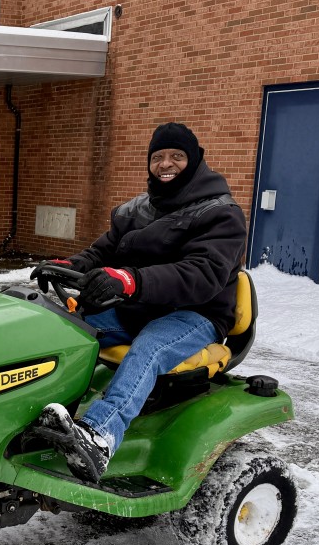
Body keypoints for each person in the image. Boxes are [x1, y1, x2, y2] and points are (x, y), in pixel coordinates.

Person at [31, 122, 248, 482]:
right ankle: (38, 413)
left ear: (193, 161)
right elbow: (104, 250)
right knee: (67, 327)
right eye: (158, 157)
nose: (166, 164)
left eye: (176, 156)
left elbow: (201, 274)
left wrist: (131, 280)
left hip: (196, 313)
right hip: (140, 305)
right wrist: (69, 266)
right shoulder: (139, 210)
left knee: (149, 346)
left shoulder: (221, 213)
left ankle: (100, 437)